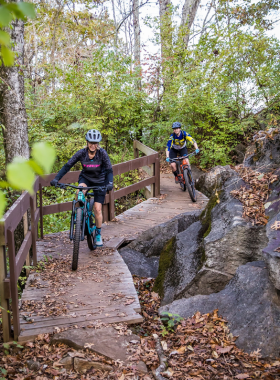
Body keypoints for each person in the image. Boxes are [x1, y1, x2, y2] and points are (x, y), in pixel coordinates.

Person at [50, 129, 113, 247]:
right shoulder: (81, 153)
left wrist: (110, 183)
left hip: (100, 181)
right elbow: (67, 166)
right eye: (90, 142)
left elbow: (109, 170)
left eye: (95, 143)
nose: (93, 145)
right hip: (86, 179)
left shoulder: (102, 153)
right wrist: (56, 179)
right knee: (79, 193)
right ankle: (79, 220)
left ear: (98, 143)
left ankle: (98, 234)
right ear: (87, 142)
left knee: (98, 209)